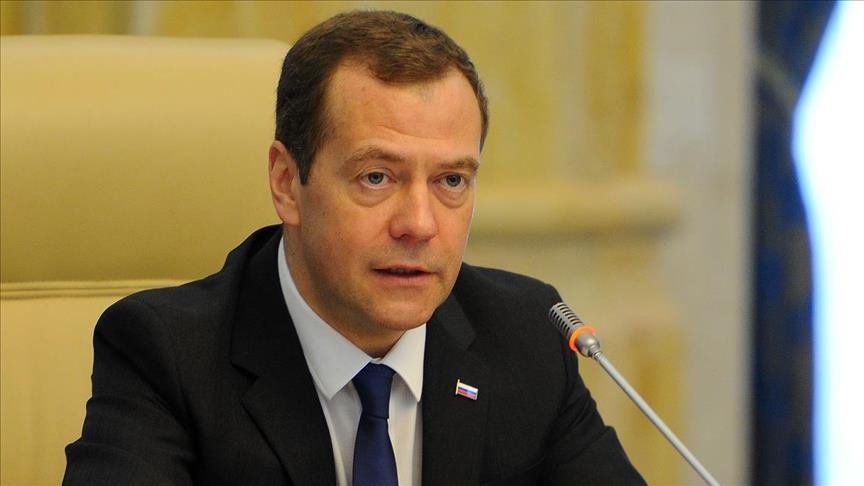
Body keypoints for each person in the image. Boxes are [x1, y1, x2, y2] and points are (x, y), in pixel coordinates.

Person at [64, 10, 645, 486]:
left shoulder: (526, 335)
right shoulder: (168, 356)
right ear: (287, 183)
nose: (419, 225)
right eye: (376, 177)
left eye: (451, 180)